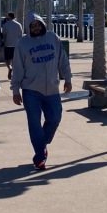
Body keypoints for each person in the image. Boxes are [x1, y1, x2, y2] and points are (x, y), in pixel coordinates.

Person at [12, 13, 72, 171]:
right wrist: (15, 90)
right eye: (32, 26)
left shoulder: (53, 38)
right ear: (28, 27)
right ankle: (40, 157)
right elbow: (18, 68)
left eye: (38, 24)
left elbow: (62, 59)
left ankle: (42, 144)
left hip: (52, 88)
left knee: (54, 118)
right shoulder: (22, 44)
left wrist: (68, 78)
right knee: (34, 124)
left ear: (43, 24)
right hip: (31, 90)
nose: (36, 28)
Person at [0, 12, 23, 81]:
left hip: (7, 45)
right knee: (14, 59)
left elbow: (3, 35)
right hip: (16, 45)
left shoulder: (5, 25)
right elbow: (21, 35)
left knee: (7, 59)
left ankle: (9, 68)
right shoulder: (18, 25)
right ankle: (14, 71)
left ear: (9, 17)